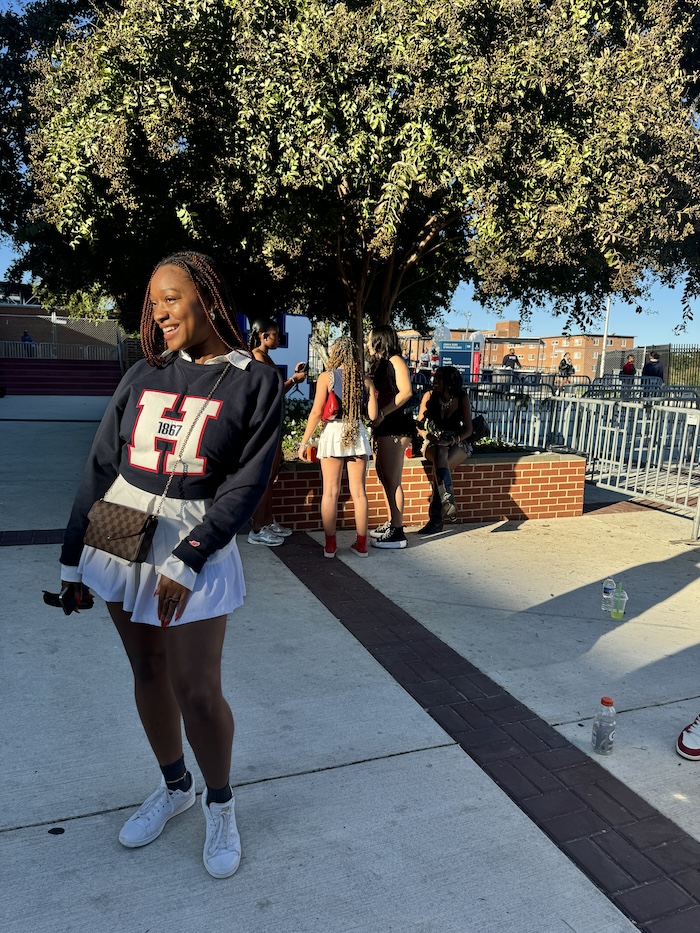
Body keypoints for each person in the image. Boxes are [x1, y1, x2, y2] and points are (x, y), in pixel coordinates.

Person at [58, 251, 283, 879]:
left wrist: (189, 557)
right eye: (152, 302)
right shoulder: (142, 373)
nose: (158, 314)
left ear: (206, 297)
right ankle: (174, 784)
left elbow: (246, 484)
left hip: (193, 532)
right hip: (119, 520)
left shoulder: (254, 381)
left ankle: (220, 803)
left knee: (197, 689)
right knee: (146, 668)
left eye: (171, 299)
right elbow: (102, 465)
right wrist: (74, 557)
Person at [297, 336, 375, 557]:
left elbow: (315, 412)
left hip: (333, 433)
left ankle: (330, 545)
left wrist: (304, 442)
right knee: (359, 493)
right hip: (356, 432)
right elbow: (371, 415)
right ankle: (361, 545)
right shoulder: (364, 380)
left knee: (330, 492)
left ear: (336, 353)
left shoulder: (326, 377)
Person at [248, 317, 306, 546]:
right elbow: (271, 393)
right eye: (275, 334)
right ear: (263, 336)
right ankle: (257, 528)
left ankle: (267, 520)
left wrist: (293, 376)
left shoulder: (265, 357)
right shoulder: (257, 358)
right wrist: (293, 379)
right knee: (265, 477)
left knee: (271, 476)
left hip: (273, 424)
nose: (278, 338)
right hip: (265, 426)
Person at [367, 325, 414, 549]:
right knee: (384, 476)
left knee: (393, 478)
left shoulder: (396, 360)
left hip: (395, 424)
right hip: (384, 424)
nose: (367, 343)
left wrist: (383, 412)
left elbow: (406, 392)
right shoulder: (381, 363)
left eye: (370, 339)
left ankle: (397, 531)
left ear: (379, 340)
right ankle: (391, 522)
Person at [415, 367, 473, 534]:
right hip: (433, 442)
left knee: (441, 467)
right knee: (441, 455)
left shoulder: (461, 397)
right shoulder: (429, 396)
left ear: (449, 382)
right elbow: (418, 425)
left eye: (439, 378)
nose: (435, 380)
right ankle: (447, 501)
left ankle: (436, 519)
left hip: (456, 441)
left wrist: (452, 440)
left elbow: (468, 430)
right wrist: (427, 434)